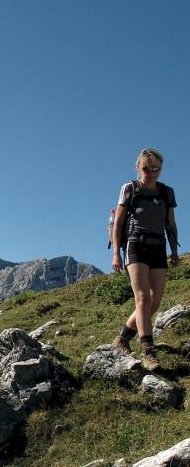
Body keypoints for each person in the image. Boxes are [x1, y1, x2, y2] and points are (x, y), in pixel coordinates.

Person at [111, 148, 179, 371]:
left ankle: (122, 337)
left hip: (158, 247)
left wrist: (174, 251)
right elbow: (119, 223)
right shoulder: (130, 189)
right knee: (142, 299)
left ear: (160, 169)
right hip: (136, 246)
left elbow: (170, 224)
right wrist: (115, 255)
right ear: (138, 168)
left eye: (155, 168)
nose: (150, 172)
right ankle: (149, 352)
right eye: (145, 168)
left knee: (155, 301)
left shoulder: (166, 193)